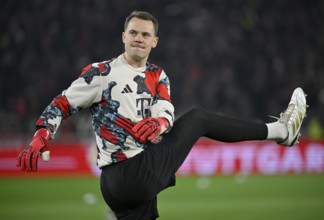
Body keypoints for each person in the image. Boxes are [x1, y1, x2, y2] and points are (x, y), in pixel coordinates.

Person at [16, 11, 307, 220]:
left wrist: (161, 122)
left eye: (145, 34)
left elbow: (165, 110)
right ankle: (281, 131)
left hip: (126, 184)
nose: (139, 38)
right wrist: (42, 135)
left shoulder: (158, 76)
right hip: (127, 175)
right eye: (133, 33)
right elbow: (62, 103)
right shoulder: (101, 73)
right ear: (123, 37)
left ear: (155, 41)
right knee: (197, 119)